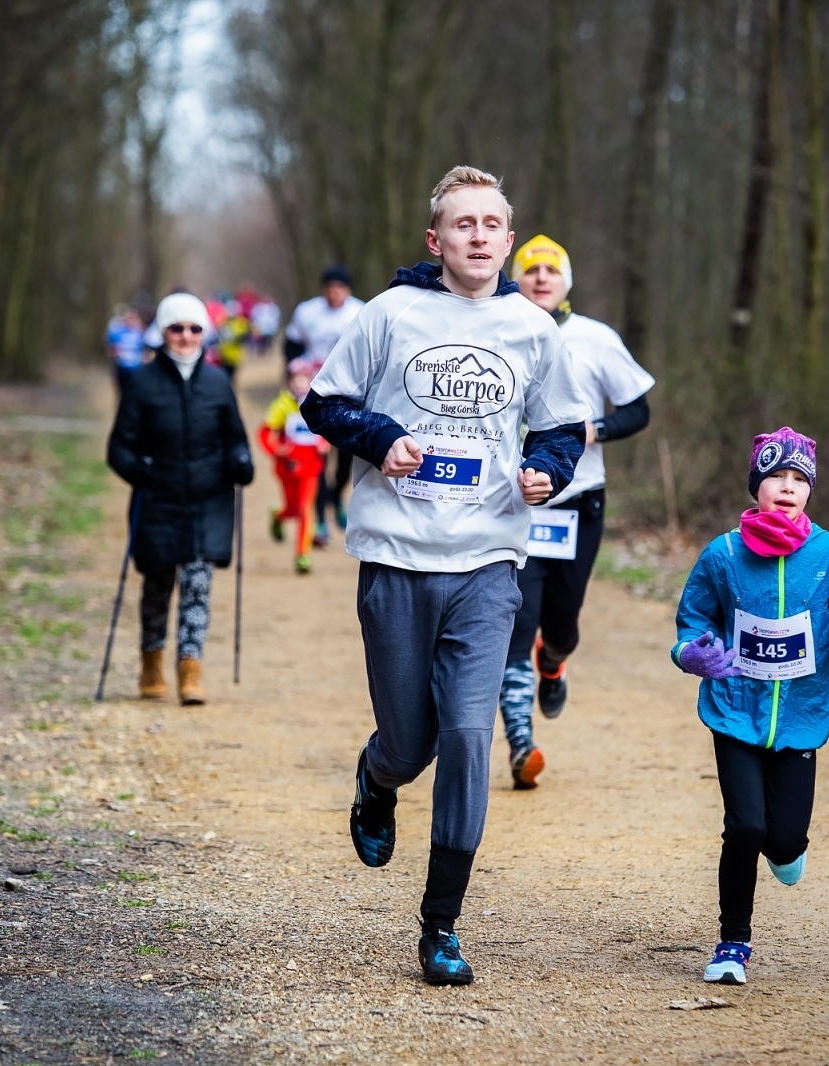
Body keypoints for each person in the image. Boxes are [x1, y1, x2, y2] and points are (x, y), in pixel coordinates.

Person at [299, 165, 590, 985]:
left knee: (467, 738)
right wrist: (379, 435)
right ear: (437, 240)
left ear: (506, 236)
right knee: (411, 743)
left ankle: (441, 927)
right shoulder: (389, 314)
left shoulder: (535, 329)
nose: (478, 236)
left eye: (492, 224)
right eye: (462, 224)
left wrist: (545, 467)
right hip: (396, 552)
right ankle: (376, 775)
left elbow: (565, 429)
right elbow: (323, 404)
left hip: (488, 560)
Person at [671, 427, 829, 986]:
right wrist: (693, 651)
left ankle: (785, 846)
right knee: (745, 827)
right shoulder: (723, 554)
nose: (787, 487)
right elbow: (693, 618)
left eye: (799, 479)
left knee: (784, 838)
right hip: (735, 708)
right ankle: (732, 943)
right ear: (756, 487)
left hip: (801, 714)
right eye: (775, 477)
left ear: (810, 491)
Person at [496, 234, 655, 789]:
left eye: (551, 270)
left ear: (566, 280)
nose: (541, 277)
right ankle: (521, 743)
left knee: (561, 621)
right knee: (518, 617)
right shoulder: (498, 328)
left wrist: (597, 428)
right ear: (517, 276)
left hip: (579, 501)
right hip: (515, 499)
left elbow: (638, 408)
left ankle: (554, 659)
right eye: (531, 268)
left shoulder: (594, 338)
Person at [106, 292, 254, 705]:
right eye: (176, 328)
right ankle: (151, 666)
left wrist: (241, 461)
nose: (185, 336)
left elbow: (236, 440)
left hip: (208, 500)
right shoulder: (142, 383)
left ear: (203, 333)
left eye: (193, 329)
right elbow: (119, 448)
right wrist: (142, 473)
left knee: (197, 587)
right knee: (156, 586)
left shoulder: (218, 382)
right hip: (157, 502)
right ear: (163, 333)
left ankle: (191, 672)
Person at [287, 265, 366, 545]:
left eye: (340, 288)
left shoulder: (361, 311)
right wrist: (293, 370)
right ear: (323, 290)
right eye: (330, 288)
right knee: (316, 457)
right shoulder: (306, 312)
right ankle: (320, 519)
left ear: (348, 290)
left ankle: (336, 496)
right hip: (314, 391)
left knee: (345, 454)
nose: (335, 293)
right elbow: (292, 345)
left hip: (348, 392)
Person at [260, 358, 330, 573]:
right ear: (289, 381)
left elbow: (327, 430)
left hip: (311, 467)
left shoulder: (318, 405)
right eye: (296, 380)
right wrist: (275, 449)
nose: (300, 385)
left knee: (304, 509)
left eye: (305, 380)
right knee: (292, 509)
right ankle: (278, 515)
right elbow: (264, 432)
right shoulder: (282, 405)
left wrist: (324, 443)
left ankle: (302, 555)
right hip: (288, 468)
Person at [106, 303, 147, 393]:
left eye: (133, 318)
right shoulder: (117, 332)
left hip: (137, 370)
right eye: (128, 318)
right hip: (122, 370)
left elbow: (147, 350)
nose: (131, 320)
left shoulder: (141, 333)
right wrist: (116, 353)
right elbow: (111, 350)